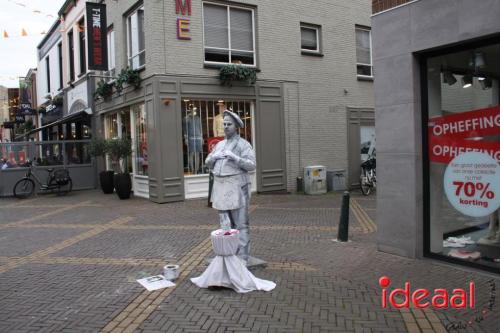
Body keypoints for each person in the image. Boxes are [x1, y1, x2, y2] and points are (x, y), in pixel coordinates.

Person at [205, 109, 256, 263]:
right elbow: (207, 163)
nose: (226, 127)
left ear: (236, 127)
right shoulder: (219, 145)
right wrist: (213, 157)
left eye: (229, 124)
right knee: (225, 224)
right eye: (224, 124)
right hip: (220, 187)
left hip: (236, 186)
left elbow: (251, 165)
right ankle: (229, 254)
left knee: (240, 224)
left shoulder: (243, 144)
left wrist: (235, 158)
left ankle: (242, 257)